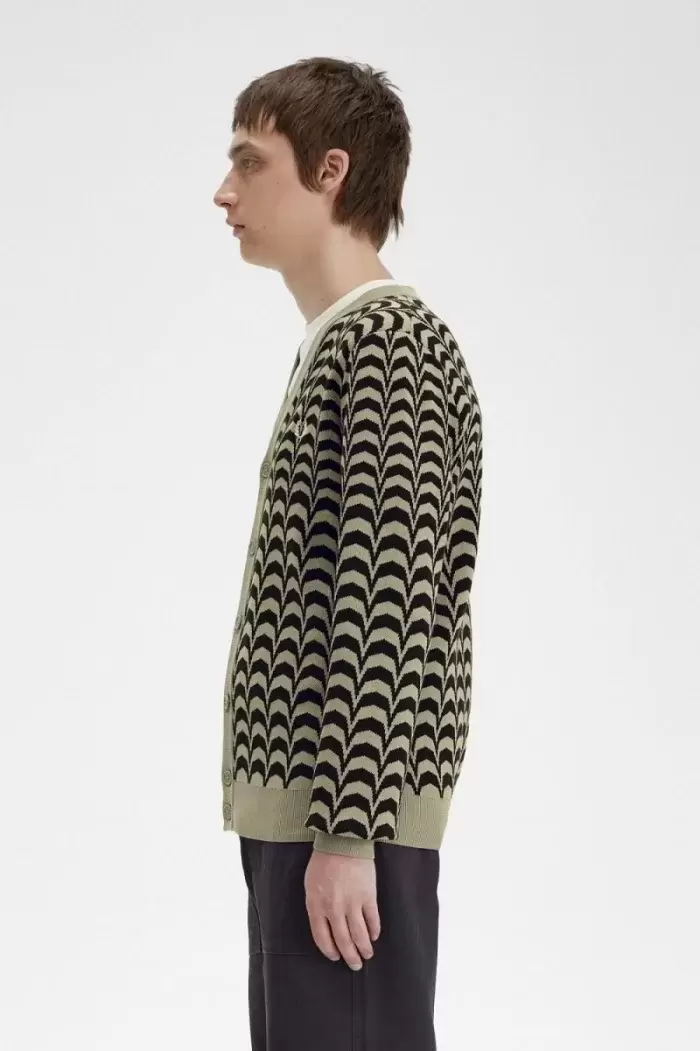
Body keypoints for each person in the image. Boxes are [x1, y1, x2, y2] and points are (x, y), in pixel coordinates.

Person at [213, 56, 483, 1051]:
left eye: (250, 161)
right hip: (311, 814)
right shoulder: (343, 344)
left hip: (339, 817)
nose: (225, 191)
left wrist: (347, 828)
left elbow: (389, 598)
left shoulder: (389, 349)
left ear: (331, 171)